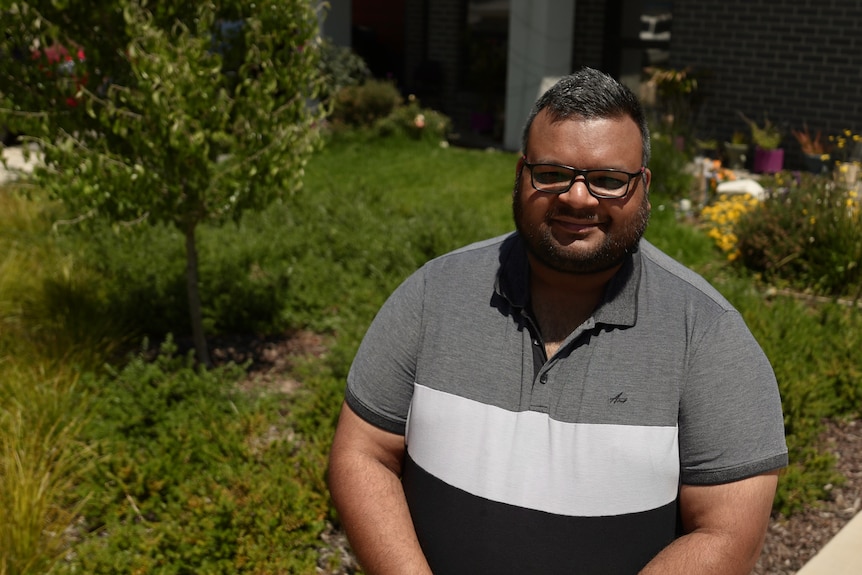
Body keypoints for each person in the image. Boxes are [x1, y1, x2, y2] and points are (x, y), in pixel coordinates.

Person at [328, 67, 788, 575]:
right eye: (552, 173)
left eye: (608, 180)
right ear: (521, 173)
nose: (577, 197)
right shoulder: (432, 293)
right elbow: (362, 453)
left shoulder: (709, 337)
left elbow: (728, 534)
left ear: (644, 186)